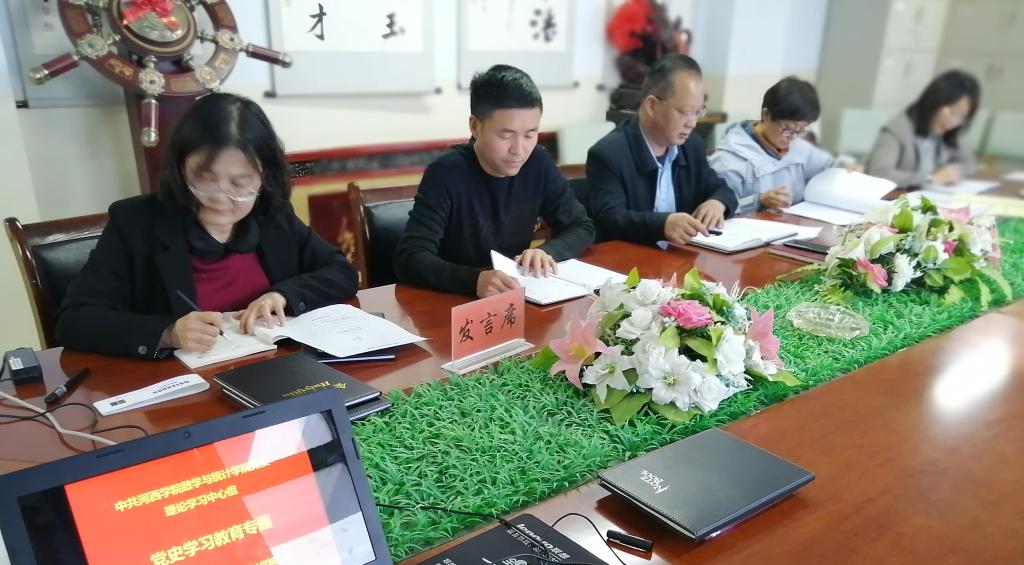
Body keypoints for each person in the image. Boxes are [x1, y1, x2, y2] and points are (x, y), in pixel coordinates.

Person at [56, 93, 358, 359]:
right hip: (185, 386)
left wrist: (283, 295)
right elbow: (75, 321)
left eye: (239, 184)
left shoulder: (272, 215)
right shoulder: (135, 223)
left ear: (264, 179)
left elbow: (341, 272)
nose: (220, 198)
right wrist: (169, 333)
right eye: (204, 179)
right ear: (180, 168)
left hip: (274, 370)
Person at [393, 64, 594, 297]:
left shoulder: (537, 163)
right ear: (475, 126)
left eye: (530, 134)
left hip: (514, 296)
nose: (519, 149)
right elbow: (410, 258)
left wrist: (548, 252)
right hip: (453, 301)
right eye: (506, 135)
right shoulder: (446, 173)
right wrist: (473, 281)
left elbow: (582, 227)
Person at [586, 54, 737, 247]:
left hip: (682, 257)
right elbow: (611, 220)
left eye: (698, 112)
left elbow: (721, 188)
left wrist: (717, 202)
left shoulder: (692, 146)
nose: (692, 123)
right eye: (685, 112)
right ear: (652, 105)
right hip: (630, 259)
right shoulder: (609, 154)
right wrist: (662, 224)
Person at [710, 77, 846, 214]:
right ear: (766, 114)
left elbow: (830, 165)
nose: (792, 137)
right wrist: (758, 201)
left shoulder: (798, 146)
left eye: (800, 130)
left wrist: (845, 165)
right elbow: (716, 208)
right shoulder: (729, 159)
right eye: (787, 128)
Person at [865, 70, 980, 188]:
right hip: (895, 196)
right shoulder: (897, 129)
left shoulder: (944, 133)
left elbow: (969, 163)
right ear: (935, 100)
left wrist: (952, 171)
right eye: (952, 112)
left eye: (961, 117)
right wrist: (931, 178)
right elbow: (880, 173)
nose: (954, 121)